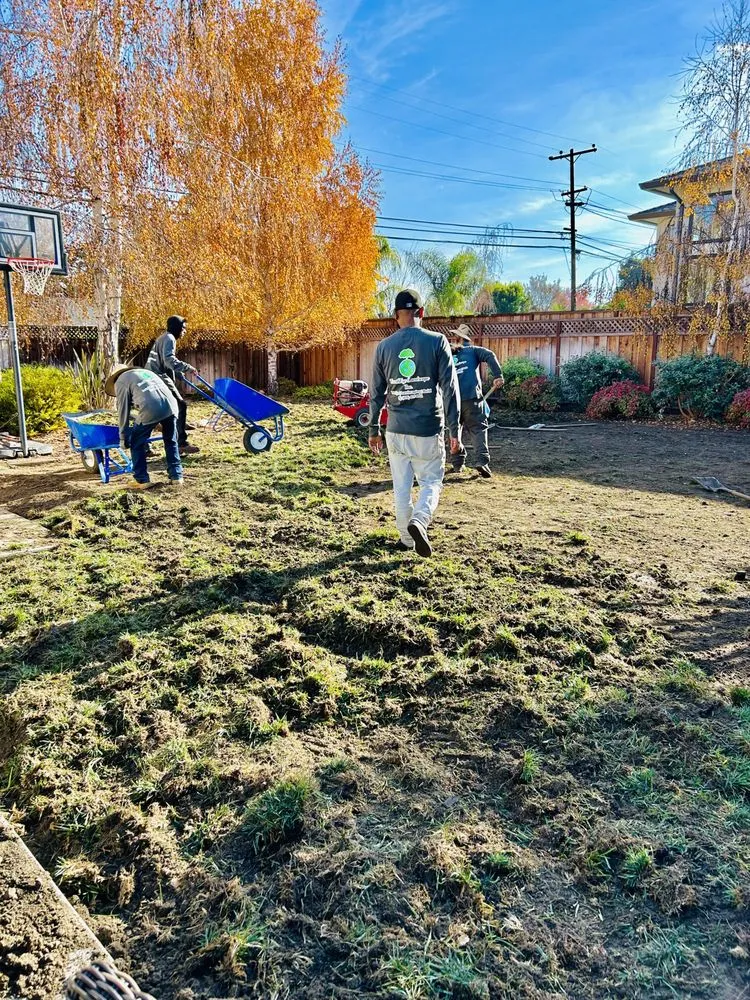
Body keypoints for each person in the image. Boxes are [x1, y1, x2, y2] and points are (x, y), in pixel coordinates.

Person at [368, 289, 460, 558]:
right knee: (431, 481)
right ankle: (419, 520)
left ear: (396, 316)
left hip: (395, 430)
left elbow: (376, 393)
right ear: (421, 313)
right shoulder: (437, 341)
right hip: (427, 429)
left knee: (401, 487)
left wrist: (373, 429)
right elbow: (450, 389)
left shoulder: (383, 347)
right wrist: (455, 430)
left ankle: (407, 540)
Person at [105, 364, 184, 490]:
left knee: (136, 443)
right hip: (172, 406)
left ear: (115, 377)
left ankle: (141, 480)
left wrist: (123, 437)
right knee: (171, 440)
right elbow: (154, 396)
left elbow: (123, 411)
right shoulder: (146, 373)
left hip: (150, 408)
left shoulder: (121, 381)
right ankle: (177, 476)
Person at [447, 323, 504, 479]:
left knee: (453, 431)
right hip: (471, 398)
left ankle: (457, 463)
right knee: (478, 429)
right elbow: (490, 355)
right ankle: (482, 461)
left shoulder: (448, 353)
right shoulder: (474, 351)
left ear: (457, 338)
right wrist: (498, 375)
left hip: (451, 400)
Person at [145, 315, 199, 456]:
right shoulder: (169, 338)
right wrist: (188, 368)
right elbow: (169, 360)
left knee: (155, 411)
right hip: (158, 377)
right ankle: (181, 443)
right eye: (183, 328)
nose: (184, 331)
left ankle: (144, 447)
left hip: (150, 376)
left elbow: (164, 361)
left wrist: (179, 374)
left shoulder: (163, 337)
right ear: (176, 328)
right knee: (180, 405)